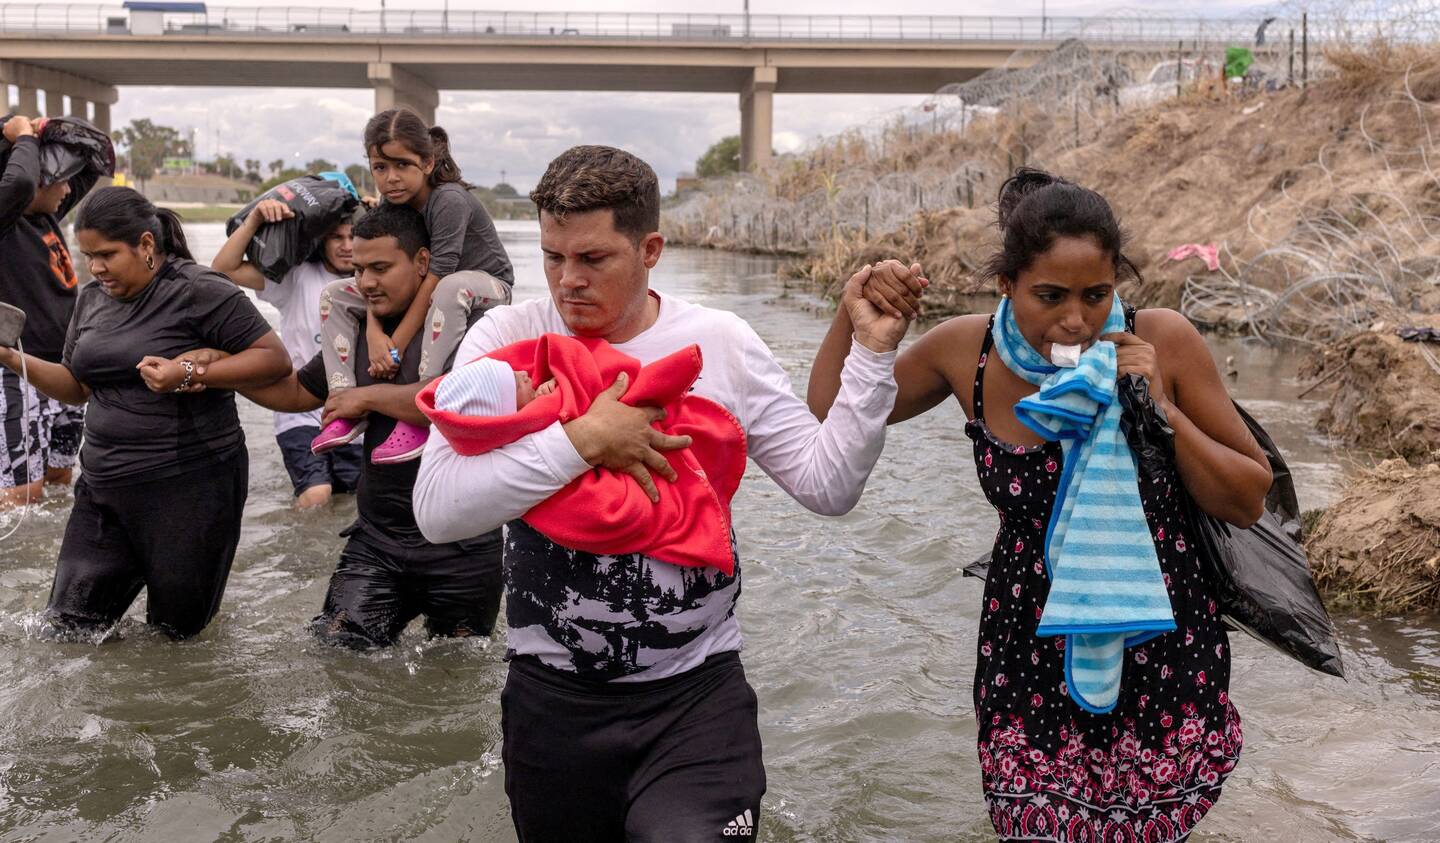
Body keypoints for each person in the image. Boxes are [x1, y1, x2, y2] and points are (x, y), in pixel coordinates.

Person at [412, 145, 915, 842]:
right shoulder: (509, 337)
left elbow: (828, 485)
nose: (567, 282)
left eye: (593, 259)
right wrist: (583, 439)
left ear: (651, 248)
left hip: (696, 697)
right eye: (554, 257)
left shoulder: (721, 342)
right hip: (551, 702)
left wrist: (873, 356)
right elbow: (436, 509)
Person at [808, 169, 1272, 841]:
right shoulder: (965, 350)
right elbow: (833, 412)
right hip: (1026, 644)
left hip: (1157, 633)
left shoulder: (1162, 342)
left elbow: (1247, 497)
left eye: (1097, 294)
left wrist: (1160, 406)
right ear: (1006, 284)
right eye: (1049, 296)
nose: (1076, 319)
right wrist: (853, 318)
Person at [0, 187, 292, 639]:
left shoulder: (200, 289)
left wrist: (188, 370)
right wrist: (10, 358)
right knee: (65, 632)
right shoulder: (92, 299)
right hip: (103, 489)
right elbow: (77, 388)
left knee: (175, 641)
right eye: (88, 255)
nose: (95, 268)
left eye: (106, 255)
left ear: (146, 244)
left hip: (191, 489)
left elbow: (273, 359)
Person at [212, 202, 503, 649]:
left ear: (423, 262)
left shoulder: (475, 327)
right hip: (376, 543)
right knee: (335, 653)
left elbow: (450, 400)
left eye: (381, 268)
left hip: (462, 550)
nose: (366, 282)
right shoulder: (353, 330)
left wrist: (365, 397)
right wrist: (215, 372)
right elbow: (295, 393)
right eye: (360, 269)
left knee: (455, 672)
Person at [311, 107, 513, 463]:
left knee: (450, 287)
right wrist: (374, 332)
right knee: (335, 294)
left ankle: (422, 407)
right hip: (442, 289)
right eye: (380, 168)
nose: (391, 178)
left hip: (486, 287)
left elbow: (437, 273)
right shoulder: (393, 203)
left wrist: (395, 347)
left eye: (402, 165)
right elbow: (367, 279)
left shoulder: (447, 199)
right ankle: (345, 405)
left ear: (428, 163)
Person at [213, 197, 362, 509]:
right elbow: (223, 269)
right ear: (321, 241)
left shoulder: (373, 282)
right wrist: (254, 219)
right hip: (301, 414)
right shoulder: (297, 277)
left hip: (357, 418)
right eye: (337, 237)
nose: (346, 245)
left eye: (353, 236)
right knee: (317, 495)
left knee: (354, 502)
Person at [0, 114, 100, 509]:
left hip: (59, 370)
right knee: (23, 492)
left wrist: (53, 133)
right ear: (39, 179)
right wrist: (21, 134)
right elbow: (20, 183)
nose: (68, 189)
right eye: (59, 178)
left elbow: (95, 164)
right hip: (13, 371)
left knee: (60, 479)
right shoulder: (4, 224)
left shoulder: (44, 217)